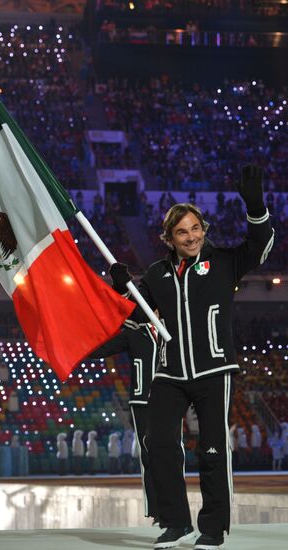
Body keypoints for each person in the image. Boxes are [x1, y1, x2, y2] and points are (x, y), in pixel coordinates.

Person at [110, 165, 274, 550]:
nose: (191, 237)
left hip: (215, 369)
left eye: (196, 229)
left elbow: (262, 245)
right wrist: (123, 288)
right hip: (169, 372)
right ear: (168, 238)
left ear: (205, 230)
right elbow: (138, 316)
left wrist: (254, 205)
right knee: (159, 443)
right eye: (182, 232)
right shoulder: (156, 274)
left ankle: (213, 529)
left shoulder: (224, 262)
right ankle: (175, 523)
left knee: (214, 447)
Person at [91, 322, 159, 520]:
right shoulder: (134, 333)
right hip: (142, 400)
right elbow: (103, 349)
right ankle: (156, 509)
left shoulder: (174, 329)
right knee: (148, 453)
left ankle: (173, 509)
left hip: (171, 398)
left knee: (171, 453)